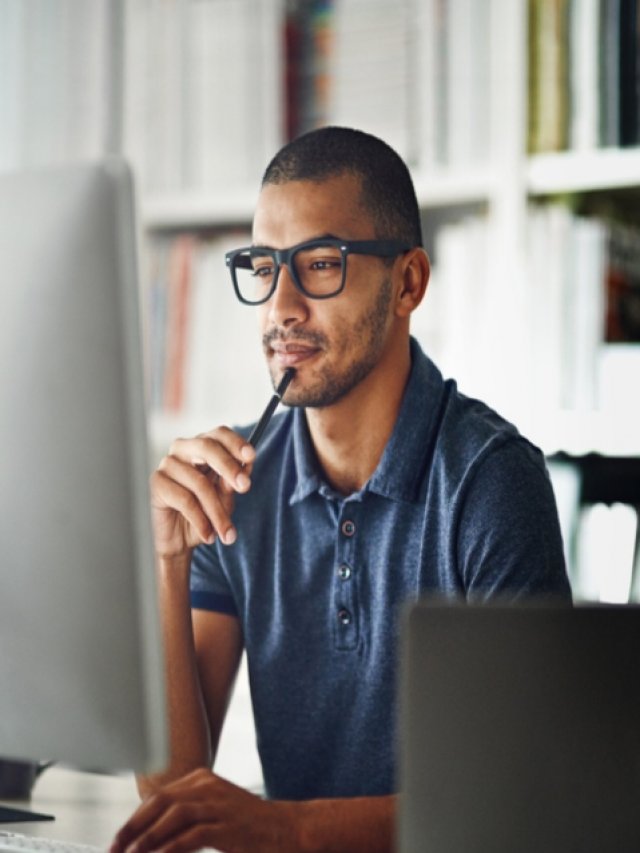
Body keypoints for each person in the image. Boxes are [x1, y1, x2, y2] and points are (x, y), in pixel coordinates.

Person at [110, 126, 571, 853]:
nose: (280, 307)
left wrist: (284, 828)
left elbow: (515, 803)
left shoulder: (490, 480)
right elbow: (174, 792)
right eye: (263, 266)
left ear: (408, 283)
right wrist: (164, 561)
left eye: (320, 264)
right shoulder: (236, 482)